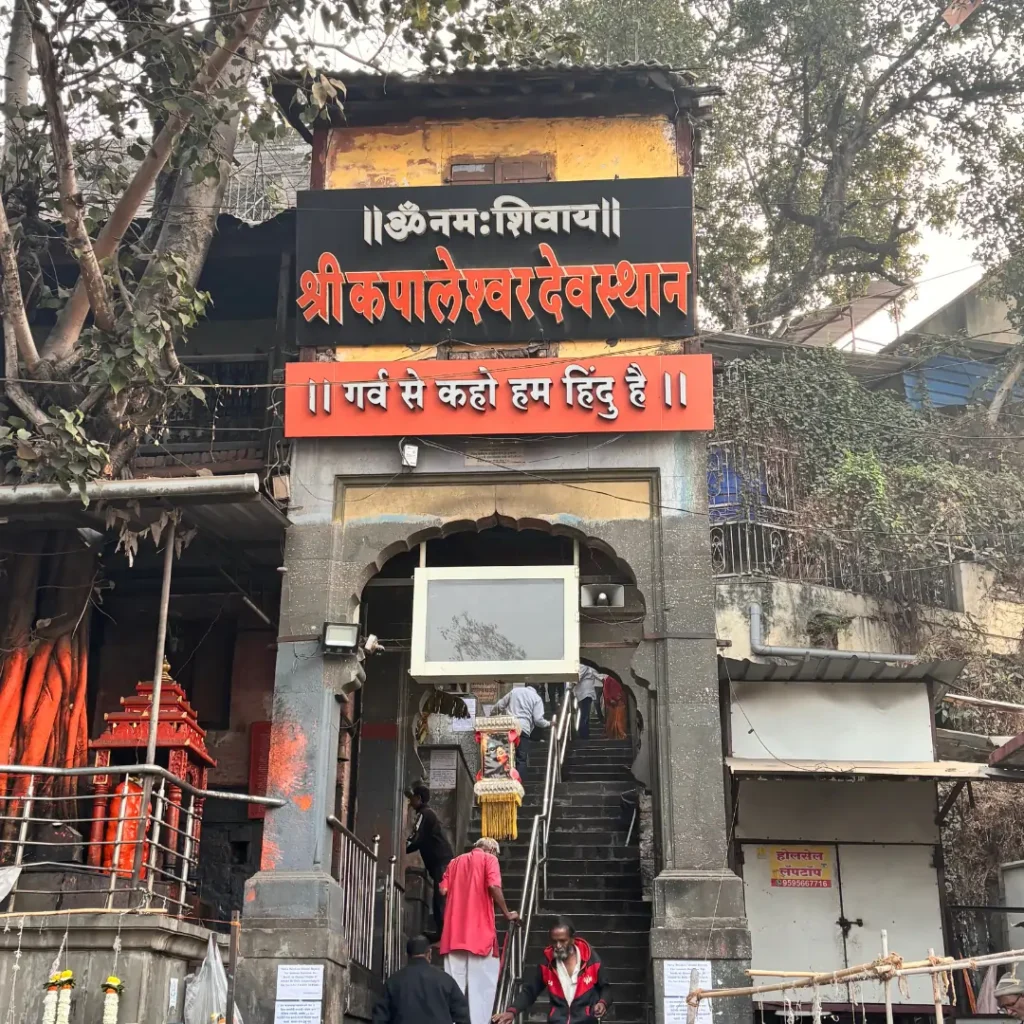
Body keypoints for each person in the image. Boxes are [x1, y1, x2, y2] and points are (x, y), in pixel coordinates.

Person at [439, 837, 519, 1024]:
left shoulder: (454, 862)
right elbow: (493, 886)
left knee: (453, 988)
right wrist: (507, 913)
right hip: (479, 934)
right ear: (492, 850)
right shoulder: (489, 860)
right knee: (481, 988)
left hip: (453, 934)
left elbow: (443, 890)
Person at [491, 917, 610, 1024]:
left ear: (572, 939)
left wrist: (602, 1002)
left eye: (563, 941)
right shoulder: (546, 963)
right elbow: (530, 991)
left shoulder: (591, 959)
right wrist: (512, 1011)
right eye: (554, 941)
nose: (558, 946)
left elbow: (606, 987)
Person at [372, 934, 470, 1024]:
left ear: (408, 955)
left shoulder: (392, 982)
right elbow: (463, 1016)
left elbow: (380, 1018)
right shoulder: (446, 980)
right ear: (429, 953)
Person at [406, 784, 455, 939]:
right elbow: (419, 840)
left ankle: (443, 934)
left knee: (440, 897)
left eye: (412, 798)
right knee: (439, 897)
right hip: (441, 861)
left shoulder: (424, 814)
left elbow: (415, 836)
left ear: (419, 798)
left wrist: (402, 847)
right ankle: (442, 932)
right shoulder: (428, 814)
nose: (410, 802)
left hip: (441, 861)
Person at [492, 685, 549, 769]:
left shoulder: (515, 691)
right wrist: (548, 724)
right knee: (521, 759)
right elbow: (538, 720)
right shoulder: (536, 698)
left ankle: (506, 776)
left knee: (505, 757)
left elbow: (499, 705)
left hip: (509, 727)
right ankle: (519, 777)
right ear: (537, 689)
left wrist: (491, 715)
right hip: (523, 729)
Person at [574, 664, 602, 740]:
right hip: (583, 692)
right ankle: (584, 733)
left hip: (585, 693)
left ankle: (584, 733)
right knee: (584, 714)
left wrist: (570, 685)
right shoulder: (585, 665)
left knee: (584, 714)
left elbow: (577, 677)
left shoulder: (584, 665)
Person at [602, 674, 627, 740]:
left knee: (620, 719)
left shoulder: (621, 678)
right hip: (611, 702)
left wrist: (622, 699)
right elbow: (606, 690)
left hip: (620, 701)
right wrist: (610, 699)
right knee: (611, 719)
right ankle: (611, 735)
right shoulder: (609, 679)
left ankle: (621, 735)